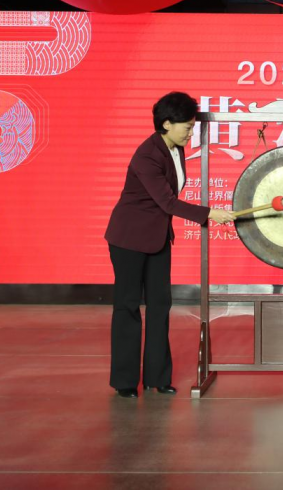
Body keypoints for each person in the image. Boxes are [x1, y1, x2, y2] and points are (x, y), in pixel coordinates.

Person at [104, 92, 235, 398]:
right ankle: (125, 382)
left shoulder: (175, 149)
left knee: (160, 305)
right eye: (187, 127)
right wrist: (210, 214)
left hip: (158, 237)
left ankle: (157, 377)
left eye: (192, 127)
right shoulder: (147, 155)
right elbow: (167, 202)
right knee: (128, 306)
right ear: (166, 124)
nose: (191, 133)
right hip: (128, 239)